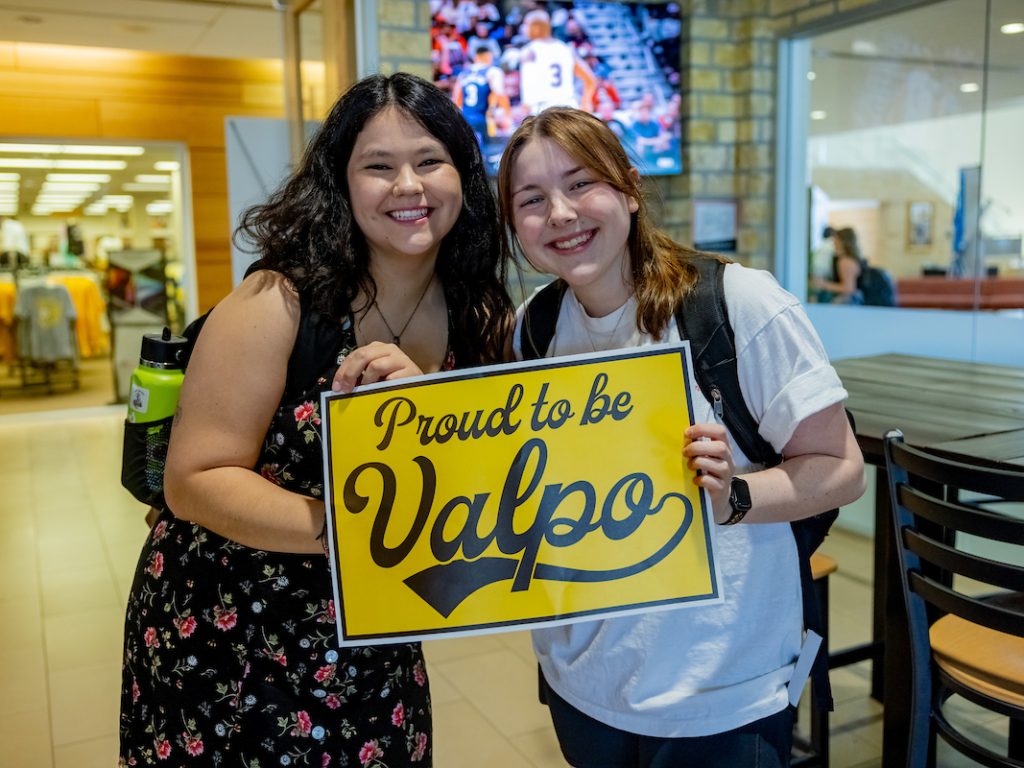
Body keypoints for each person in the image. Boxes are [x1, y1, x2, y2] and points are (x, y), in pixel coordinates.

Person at [118, 72, 513, 767]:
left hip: (373, 628)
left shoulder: (478, 315)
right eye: (378, 167)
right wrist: (349, 533)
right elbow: (194, 479)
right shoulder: (278, 302)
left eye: (429, 161)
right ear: (341, 182)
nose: (408, 186)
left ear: (462, 175)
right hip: (231, 630)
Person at [496, 107, 865, 768]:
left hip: (723, 686)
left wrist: (737, 497)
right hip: (582, 680)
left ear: (629, 190)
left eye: (581, 184)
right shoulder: (535, 327)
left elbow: (841, 467)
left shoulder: (735, 304)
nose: (560, 212)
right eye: (532, 199)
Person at [518, 9, 596, 114]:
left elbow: (527, 89)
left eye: (526, 25)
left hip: (543, 111)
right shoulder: (566, 49)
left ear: (536, 28)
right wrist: (585, 104)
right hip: (569, 108)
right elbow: (590, 80)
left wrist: (525, 109)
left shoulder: (529, 51)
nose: (524, 29)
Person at [814, 226, 863, 304]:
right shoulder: (852, 259)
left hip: (847, 303)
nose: (833, 242)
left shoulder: (845, 261)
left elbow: (848, 288)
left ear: (842, 241)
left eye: (836, 239)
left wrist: (824, 284)